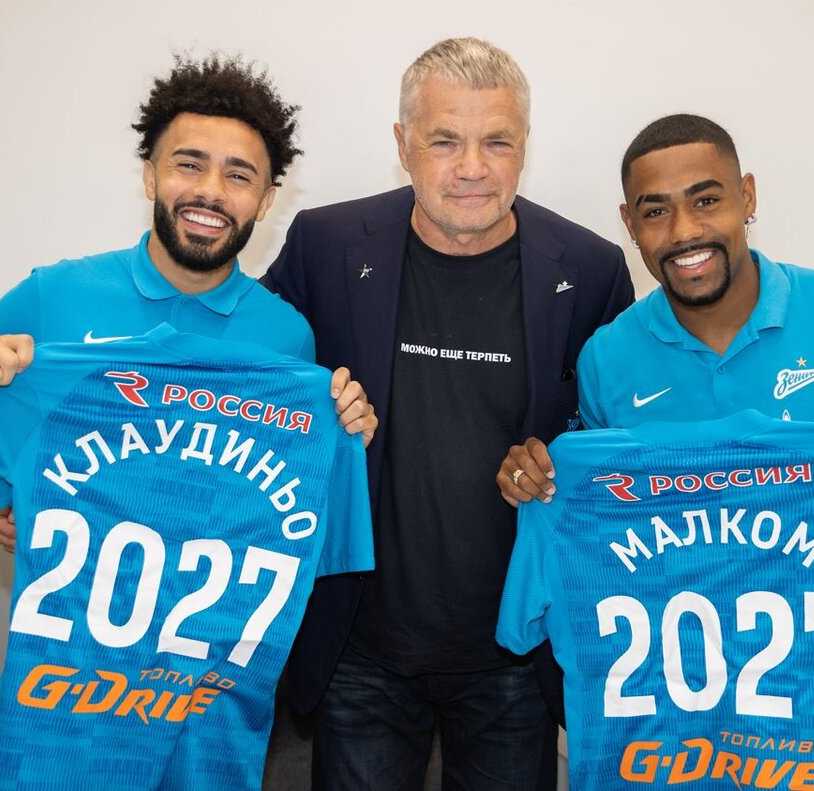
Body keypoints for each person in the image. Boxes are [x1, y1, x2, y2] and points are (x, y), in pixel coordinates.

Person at [0, 53, 377, 779]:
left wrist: (345, 426)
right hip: (56, 707)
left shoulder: (287, 341)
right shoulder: (54, 297)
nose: (210, 191)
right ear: (150, 174)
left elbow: (272, 515)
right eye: (188, 164)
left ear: (266, 199)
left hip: (205, 719)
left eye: (239, 175)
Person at [496, 113, 814, 790]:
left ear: (747, 195)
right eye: (656, 211)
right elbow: (598, 511)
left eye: (706, 199)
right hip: (666, 743)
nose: (684, 231)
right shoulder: (606, 357)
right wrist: (539, 478)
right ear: (630, 224)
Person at [260, 37, 634, 790]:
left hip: (516, 651)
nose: (472, 168)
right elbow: (241, 387)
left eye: (497, 141)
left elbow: (620, 445)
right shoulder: (326, 245)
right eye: (444, 141)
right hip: (361, 645)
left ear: (524, 146)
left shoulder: (592, 269)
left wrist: (560, 464)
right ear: (402, 145)